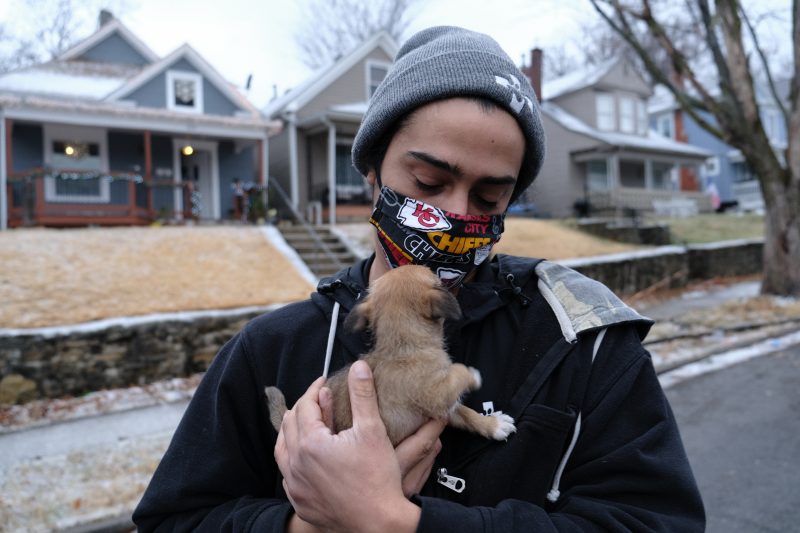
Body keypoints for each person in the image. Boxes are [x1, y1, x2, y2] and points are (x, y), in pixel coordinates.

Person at [133, 26, 704, 531]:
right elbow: (174, 518)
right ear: (372, 169)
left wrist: (394, 523)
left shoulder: (585, 344)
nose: (454, 213)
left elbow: (655, 520)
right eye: (429, 182)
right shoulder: (272, 349)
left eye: (489, 196)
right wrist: (305, 527)